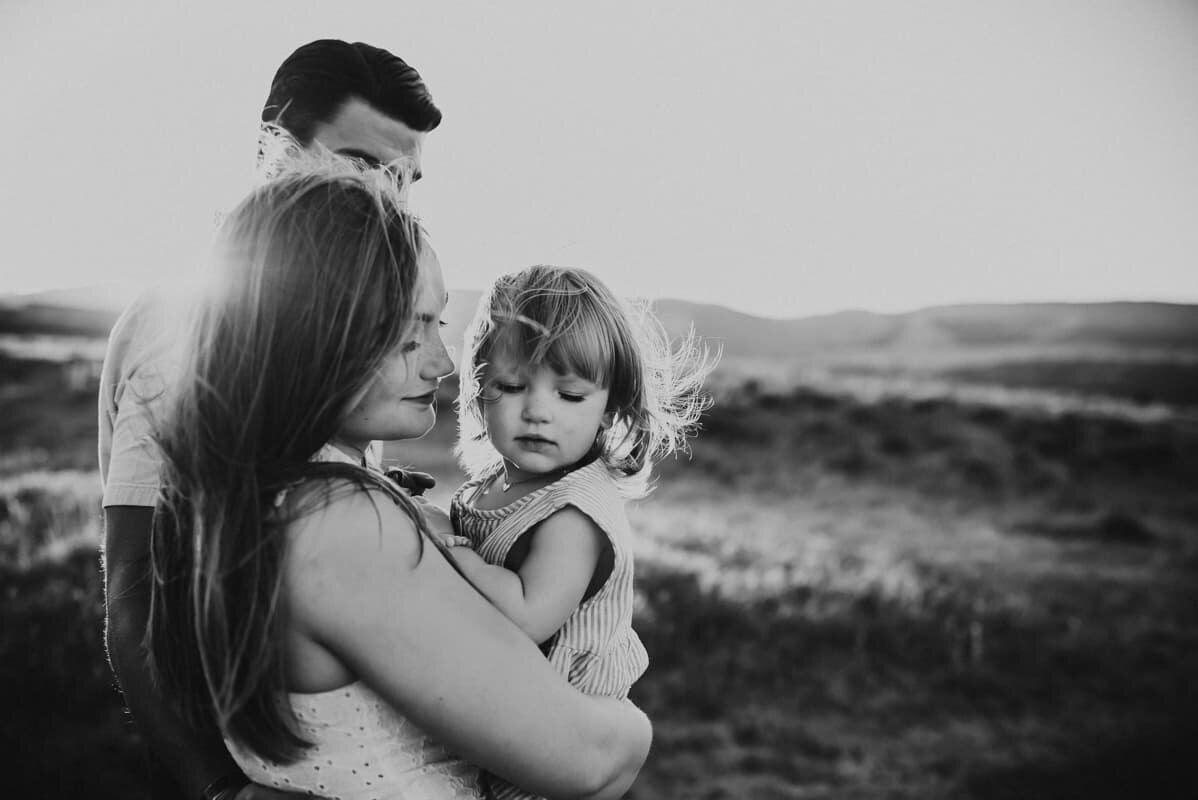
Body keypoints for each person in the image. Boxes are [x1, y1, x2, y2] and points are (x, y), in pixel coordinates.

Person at [146, 152, 650, 800]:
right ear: (318, 336)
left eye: (439, 325)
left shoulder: (240, 491)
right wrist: (634, 727)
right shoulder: (338, 524)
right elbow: (590, 761)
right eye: (412, 334)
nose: (444, 362)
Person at [100, 40, 441, 800]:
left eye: (406, 180)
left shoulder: (327, 320)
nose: (389, 200)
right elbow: (134, 591)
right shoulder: (195, 322)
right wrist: (219, 788)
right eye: (364, 165)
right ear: (276, 148)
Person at [446, 266, 712, 800]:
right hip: (502, 718)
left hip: (557, 740)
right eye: (511, 386)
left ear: (609, 410)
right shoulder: (495, 484)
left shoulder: (573, 515)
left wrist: (452, 555)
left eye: (569, 395)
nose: (537, 412)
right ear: (478, 392)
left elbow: (527, 615)